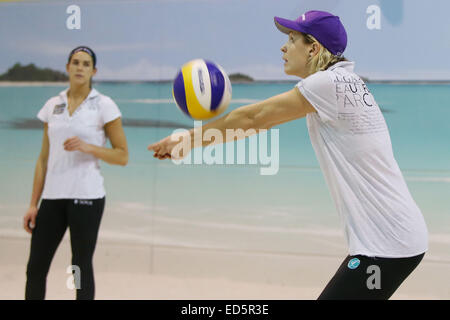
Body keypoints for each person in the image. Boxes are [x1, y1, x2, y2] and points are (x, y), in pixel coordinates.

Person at [147, 11, 428, 300]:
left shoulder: (327, 85)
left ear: (314, 48)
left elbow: (253, 118)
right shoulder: (344, 81)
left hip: (387, 246)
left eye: (292, 39)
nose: (284, 47)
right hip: (396, 239)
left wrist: (187, 141)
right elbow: (258, 120)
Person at [23, 46, 128, 300]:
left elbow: (122, 155)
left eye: (86, 64)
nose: (80, 67)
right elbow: (43, 159)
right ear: (67, 67)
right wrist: (32, 204)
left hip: (87, 198)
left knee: (79, 267)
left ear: (94, 71)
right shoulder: (52, 105)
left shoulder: (104, 105)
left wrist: (89, 147)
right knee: (35, 267)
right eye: (76, 62)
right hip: (52, 198)